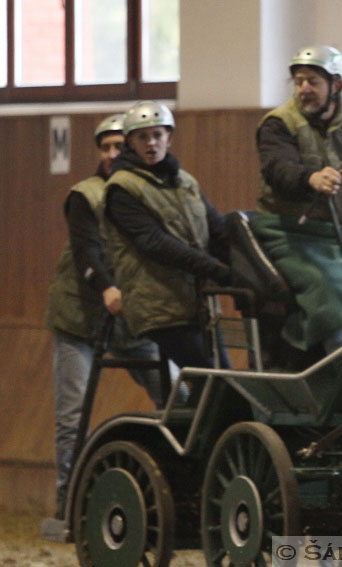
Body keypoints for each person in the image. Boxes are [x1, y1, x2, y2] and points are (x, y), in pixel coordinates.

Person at [45, 113, 167, 518]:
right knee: (73, 415)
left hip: (129, 317)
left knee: (177, 396)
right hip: (80, 318)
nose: (114, 153)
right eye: (107, 147)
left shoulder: (144, 189)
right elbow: (87, 251)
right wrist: (106, 287)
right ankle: (69, 505)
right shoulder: (87, 194)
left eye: (120, 145)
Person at [253, 45, 342, 357]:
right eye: (299, 81)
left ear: (336, 85)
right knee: (326, 289)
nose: (304, 89)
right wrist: (309, 178)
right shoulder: (278, 123)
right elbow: (277, 168)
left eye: (312, 82)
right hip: (291, 233)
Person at [103, 100, 232, 371]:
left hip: (199, 304)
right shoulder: (123, 187)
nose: (151, 143)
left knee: (220, 381)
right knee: (217, 380)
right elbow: (155, 243)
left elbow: (217, 227)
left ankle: (188, 413)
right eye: (142, 137)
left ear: (169, 138)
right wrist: (217, 270)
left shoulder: (185, 181)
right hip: (159, 308)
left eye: (157, 135)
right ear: (130, 142)